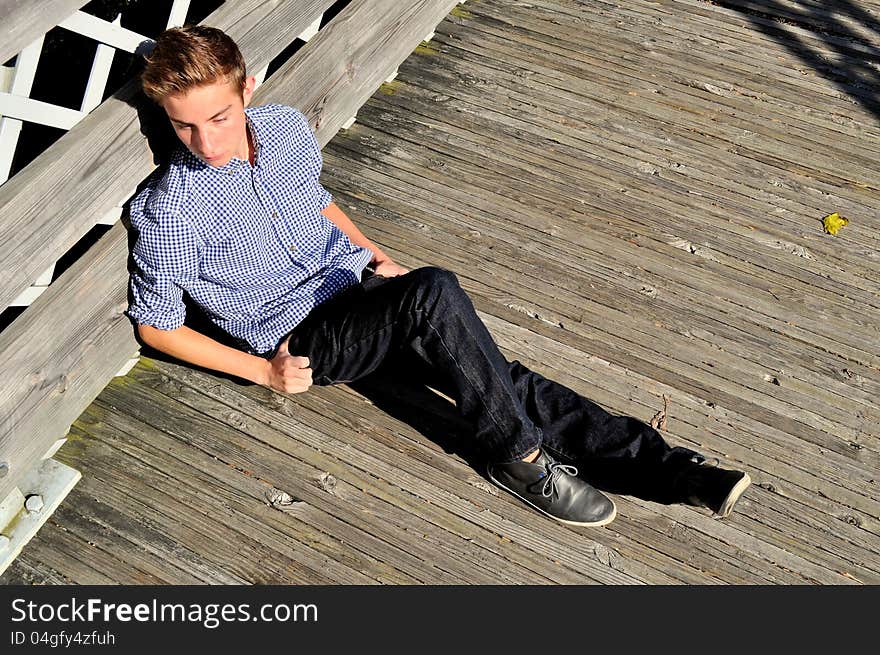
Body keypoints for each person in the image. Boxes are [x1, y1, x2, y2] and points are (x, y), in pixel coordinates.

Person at [127, 25, 751, 529]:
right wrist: (263, 372)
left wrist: (374, 254)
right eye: (184, 124)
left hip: (359, 289)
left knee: (499, 378)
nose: (204, 141)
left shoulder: (286, 129)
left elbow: (315, 201)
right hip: (300, 336)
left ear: (248, 91)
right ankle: (521, 459)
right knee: (436, 294)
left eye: (219, 118)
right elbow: (157, 327)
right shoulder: (168, 209)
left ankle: (673, 473)